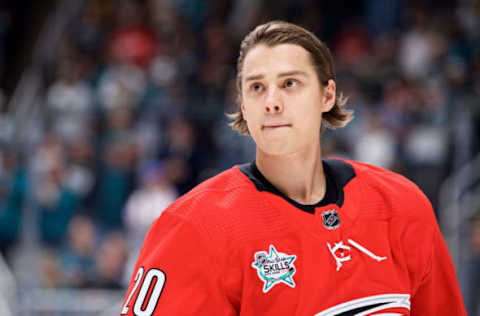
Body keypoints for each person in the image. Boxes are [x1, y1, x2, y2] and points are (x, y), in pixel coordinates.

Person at [120, 21, 466, 315]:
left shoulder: (400, 206)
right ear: (243, 104)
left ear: (327, 95)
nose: (271, 102)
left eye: (290, 84)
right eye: (256, 87)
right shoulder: (195, 227)